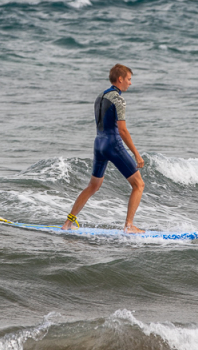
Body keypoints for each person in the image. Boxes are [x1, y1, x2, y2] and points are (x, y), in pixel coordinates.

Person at [61, 64, 146, 233]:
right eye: (129, 79)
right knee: (139, 184)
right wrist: (137, 154)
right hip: (113, 144)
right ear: (120, 79)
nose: (130, 83)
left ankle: (67, 223)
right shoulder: (118, 99)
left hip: (99, 144)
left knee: (93, 186)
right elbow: (121, 130)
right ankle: (129, 226)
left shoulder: (100, 96)